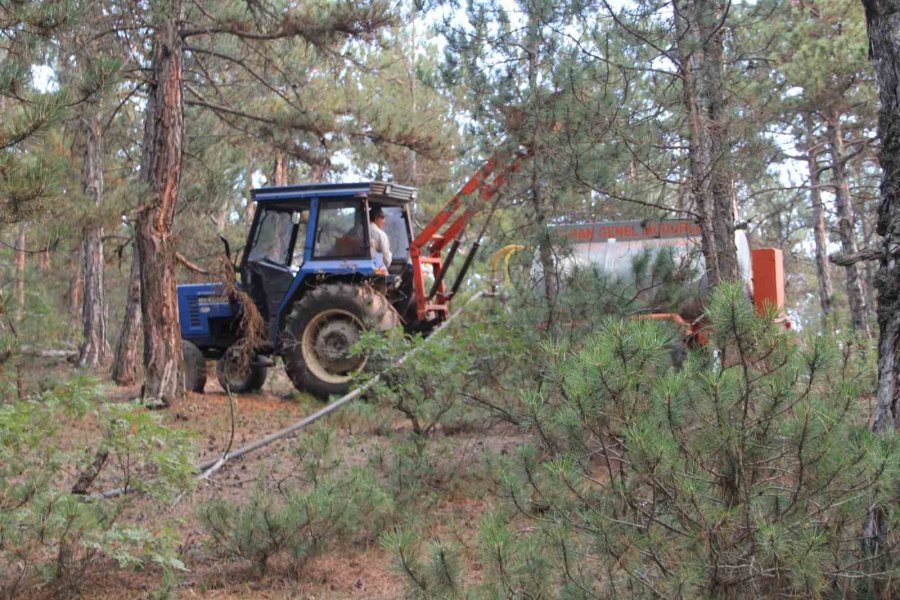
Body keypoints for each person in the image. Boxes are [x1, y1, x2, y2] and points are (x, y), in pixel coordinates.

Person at [369, 206, 392, 272]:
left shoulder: (356, 232)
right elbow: (386, 260)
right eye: (382, 218)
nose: (384, 221)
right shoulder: (381, 235)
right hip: (377, 272)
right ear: (376, 218)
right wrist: (390, 256)